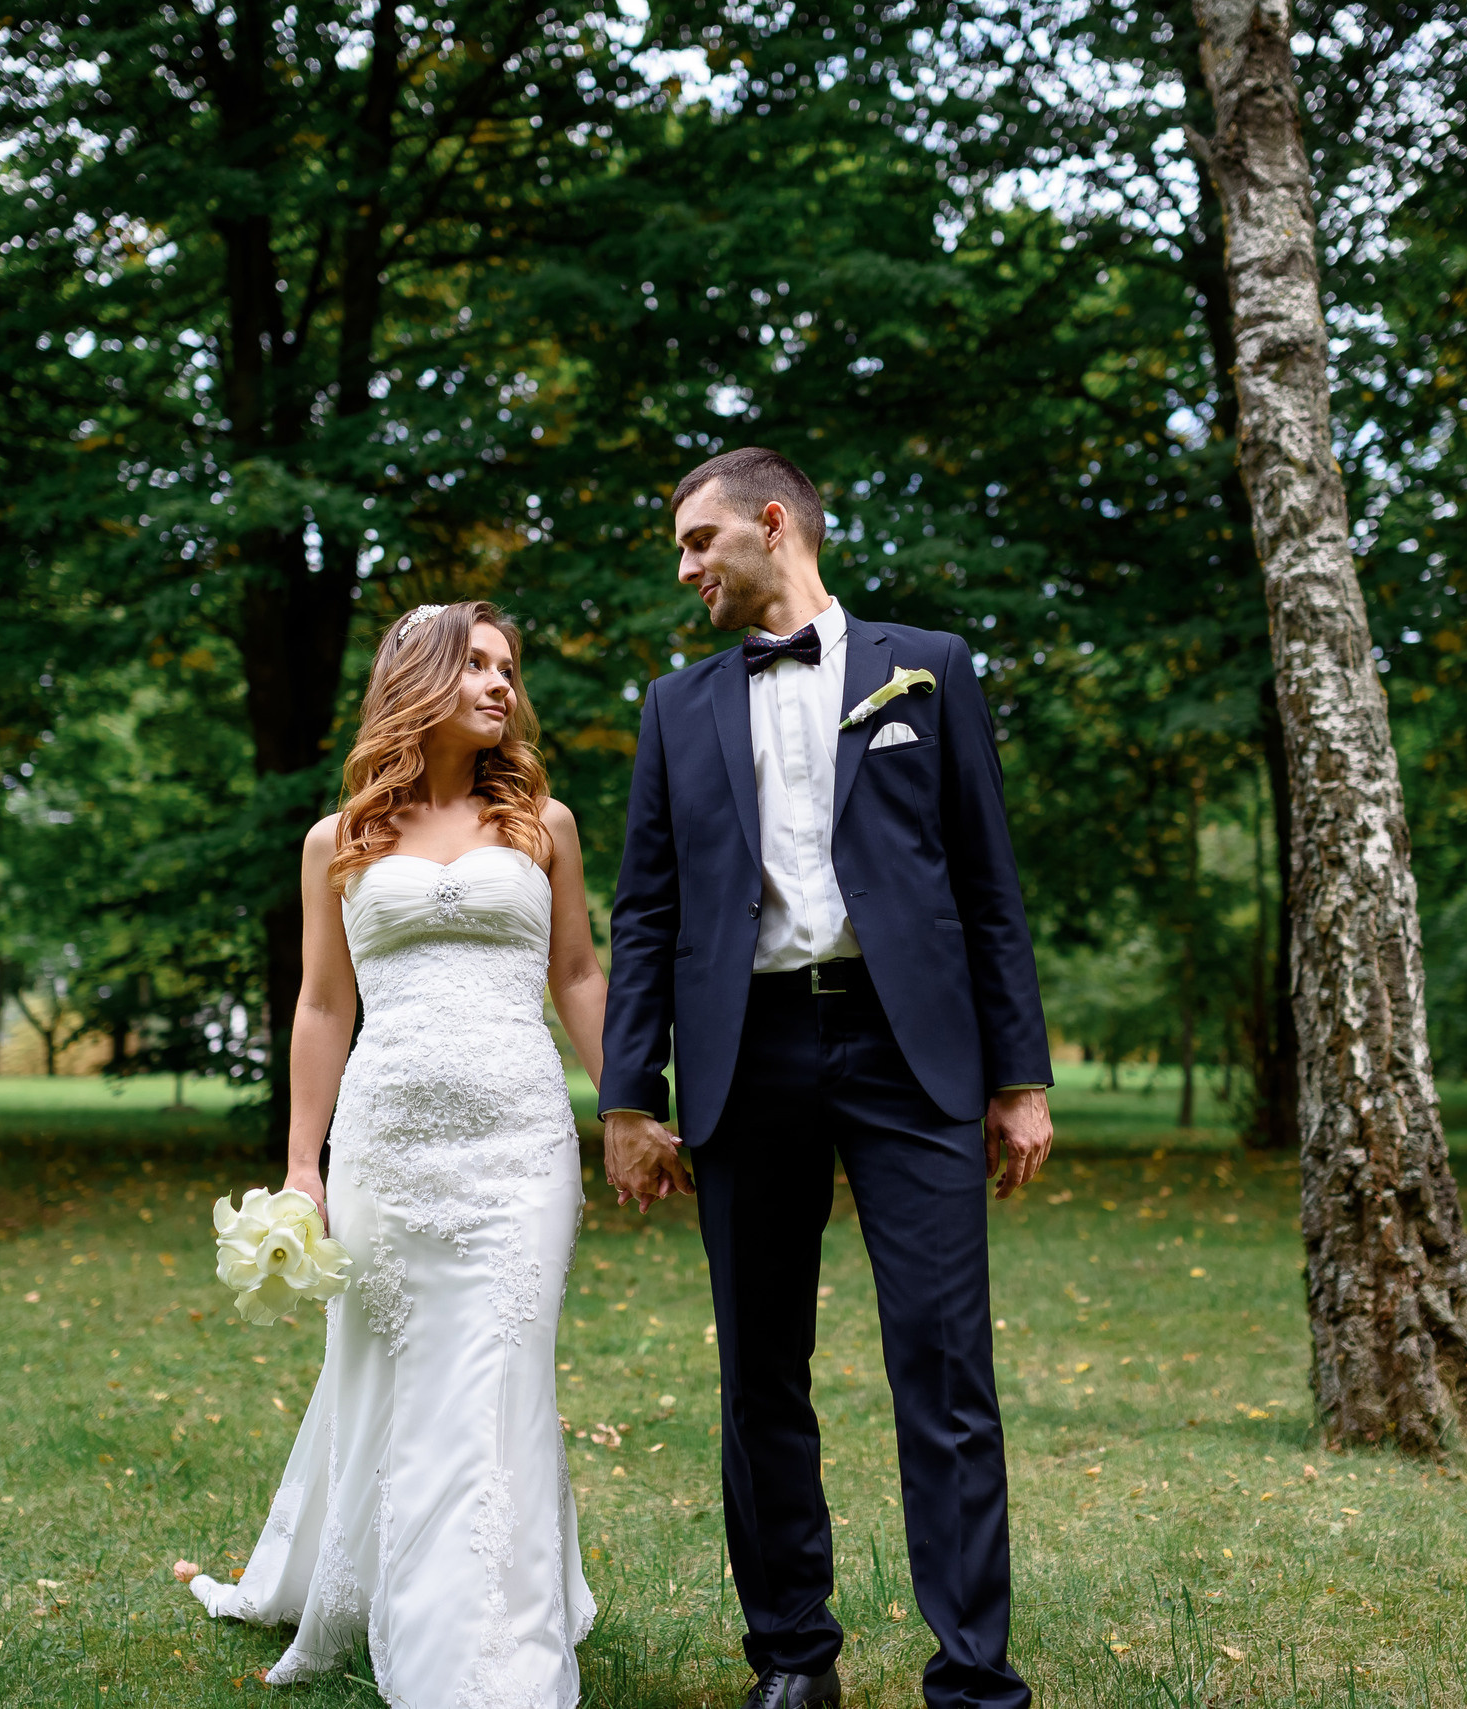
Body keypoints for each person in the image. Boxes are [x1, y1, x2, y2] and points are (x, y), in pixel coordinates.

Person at [600, 448, 1055, 1709]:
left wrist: (1019, 1074)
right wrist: (631, 1095)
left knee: (944, 1363)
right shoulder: (674, 708)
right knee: (758, 1372)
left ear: (770, 522)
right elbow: (645, 915)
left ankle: (972, 1671)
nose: (685, 568)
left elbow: (987, 883)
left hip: (913, 1055)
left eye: (698, 542)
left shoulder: (934, 667)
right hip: (749, 1057)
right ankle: (793, 1658)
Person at [176, 600, 605, 1702]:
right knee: (390, 1374)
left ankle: (490, 1647)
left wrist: (637, 1108)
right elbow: (322, 1007)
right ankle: (376, 1581)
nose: (502, 683)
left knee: (500, 1372)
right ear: (417, 677)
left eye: (511, 666)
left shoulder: (544, 826)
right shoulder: (339, 838)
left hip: (518, 1142)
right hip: (387, 1146)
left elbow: (576, 976)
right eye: (477, 664)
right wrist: (303, 1167)